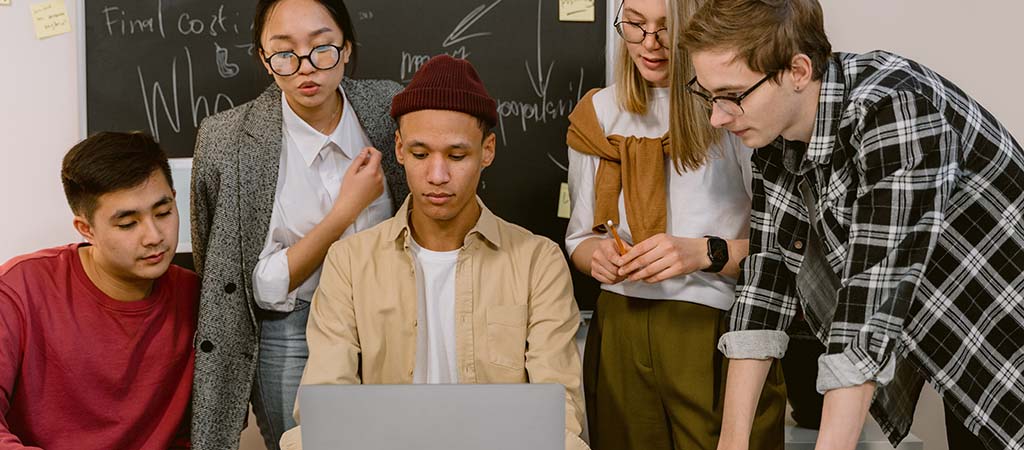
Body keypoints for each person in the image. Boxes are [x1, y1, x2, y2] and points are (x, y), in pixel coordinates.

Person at [680, 1, 1024, 449]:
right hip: (965, 354)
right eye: (707, 94)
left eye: (733, 95)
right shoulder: (775, 139)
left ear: (798, 71)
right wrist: (731, 443)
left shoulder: (895, 111)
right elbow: (764, 286)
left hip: (1008, 346)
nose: (717, 117)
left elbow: (868, 308)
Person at [277, 55, 588, 450]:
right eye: (421, 154)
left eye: (457, 156)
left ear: (487, 150)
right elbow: (324, 406)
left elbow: (557, 415)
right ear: (400, 149)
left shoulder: (536, 262)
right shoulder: (350, 262)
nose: (437, 176)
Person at [563, 0, 785, 448]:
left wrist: (701, 252)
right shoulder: (598, 114)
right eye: (635, 26)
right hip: (619, 326)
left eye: (667, 28)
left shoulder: (733, 105)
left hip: (712, 327)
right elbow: (579, 237)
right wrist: (598, 258)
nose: (650, 44)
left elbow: (785, 250)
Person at [189, 0, 408, 447]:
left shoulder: (389, 107)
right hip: (290, 331)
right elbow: (226, 272)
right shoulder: (226, 138)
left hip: (391, 319)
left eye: (322, 47)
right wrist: (345, 211)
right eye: (284, 53)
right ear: (263, 60)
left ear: (347, 48)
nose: (305, 68)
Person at [0, 132, 198, 449]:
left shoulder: (200, 300)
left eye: (163, 212)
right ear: (86, 229)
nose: (154, 236)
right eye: (128, 223)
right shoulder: (17, 290)